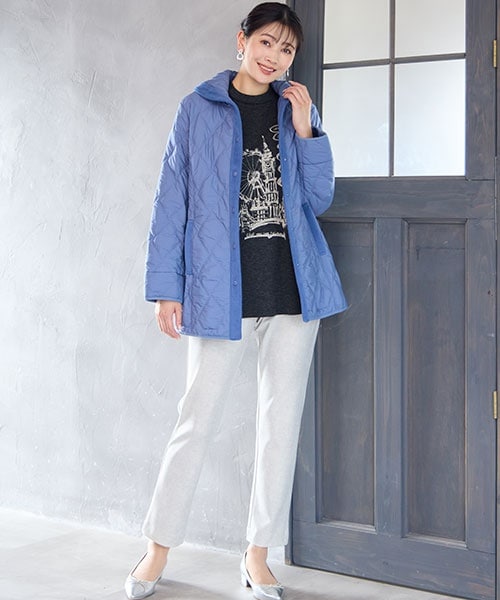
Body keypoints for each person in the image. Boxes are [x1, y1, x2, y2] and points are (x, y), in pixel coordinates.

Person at [125, 3, 347, 599]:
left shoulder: (296, 108)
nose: (275, 56)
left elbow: (319, 199)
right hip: (219, 291)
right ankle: (156, 549)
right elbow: (171, 200)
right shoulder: (197, 109)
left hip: (293, 292)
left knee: (280, 425)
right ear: (242, 40)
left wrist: (306, 130)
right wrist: (166, 288)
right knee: (195, 420)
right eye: (267, 42)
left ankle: (257, 556)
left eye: (287, 49)